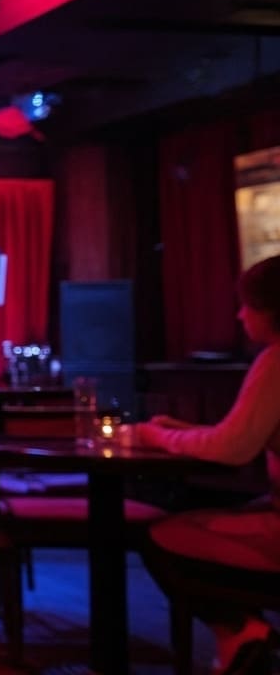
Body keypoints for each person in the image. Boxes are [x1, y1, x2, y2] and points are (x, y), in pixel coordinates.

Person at [138, 254, 280, 675]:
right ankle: (248, 640)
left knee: (159, 536)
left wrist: (155, 436)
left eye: (247, 305)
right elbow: (244, 436)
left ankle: (244, 636)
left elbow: (232, 450)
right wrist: (182, 430)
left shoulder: (275, 360)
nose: (239, 315)